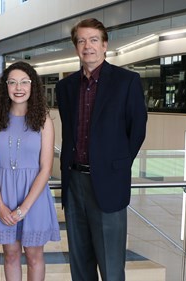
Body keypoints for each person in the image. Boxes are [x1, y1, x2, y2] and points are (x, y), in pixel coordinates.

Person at [55, 18, 148, 281]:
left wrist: (114, 166)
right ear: (76, 47)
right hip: (74, 183)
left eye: (94, 40)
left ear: (105, 45)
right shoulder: (66, 87)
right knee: (80, 266)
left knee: (111, 267)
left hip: (108, 184)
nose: (88, 46)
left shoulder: (126, 81)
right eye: (81, 41)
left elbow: (137, 131)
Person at [0, 61, 60, 280]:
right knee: (11, 254)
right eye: (13, 82)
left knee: (34, 256)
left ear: (33, 86)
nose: (19, 88)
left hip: (33, 198)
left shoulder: (44, 121)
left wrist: (24, 208)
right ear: (5, 87)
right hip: (3, 196)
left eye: (24, 82)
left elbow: (46, 168)